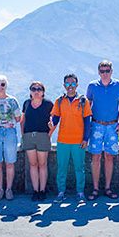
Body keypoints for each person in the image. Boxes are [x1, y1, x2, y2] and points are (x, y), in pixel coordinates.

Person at [86, 60, 119, 200]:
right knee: (95, 157)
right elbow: (87, 107)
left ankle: (108, 188)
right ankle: (96, 189)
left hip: (112, 126)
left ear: (111, 71)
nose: (104, 74)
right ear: (98, 72)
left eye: (107, 71)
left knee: (110, 157)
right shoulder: (92, 86)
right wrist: (86, 127)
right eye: (102, 71)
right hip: (96, 125)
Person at [49, 73, 92, 203]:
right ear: (64, 85)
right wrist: (51, 124)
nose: (70, 86)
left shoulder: (83, 101)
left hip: (78, 141)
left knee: (80, 168)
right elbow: (55, 117)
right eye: (68, 84)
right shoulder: (59, 101)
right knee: (61, 168)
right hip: (63, 141)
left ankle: (80, 193)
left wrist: (86, 138)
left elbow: (87, 121)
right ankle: (61, 192)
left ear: (77, 85)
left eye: (73, 84)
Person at [21, 81, 53, 201]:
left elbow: (54, 121)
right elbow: (22, 120)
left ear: (43, 91)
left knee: (42, 164)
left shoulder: (48, 104)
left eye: (39, 89)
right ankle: (36, 190)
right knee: (33, 164)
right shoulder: (26, 103)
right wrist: (23, 134)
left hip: (43, 135)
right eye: (33, 89)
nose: (36, 91)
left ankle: (42, 190)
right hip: (29, 136)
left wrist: (49, 134)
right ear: (30, 91)